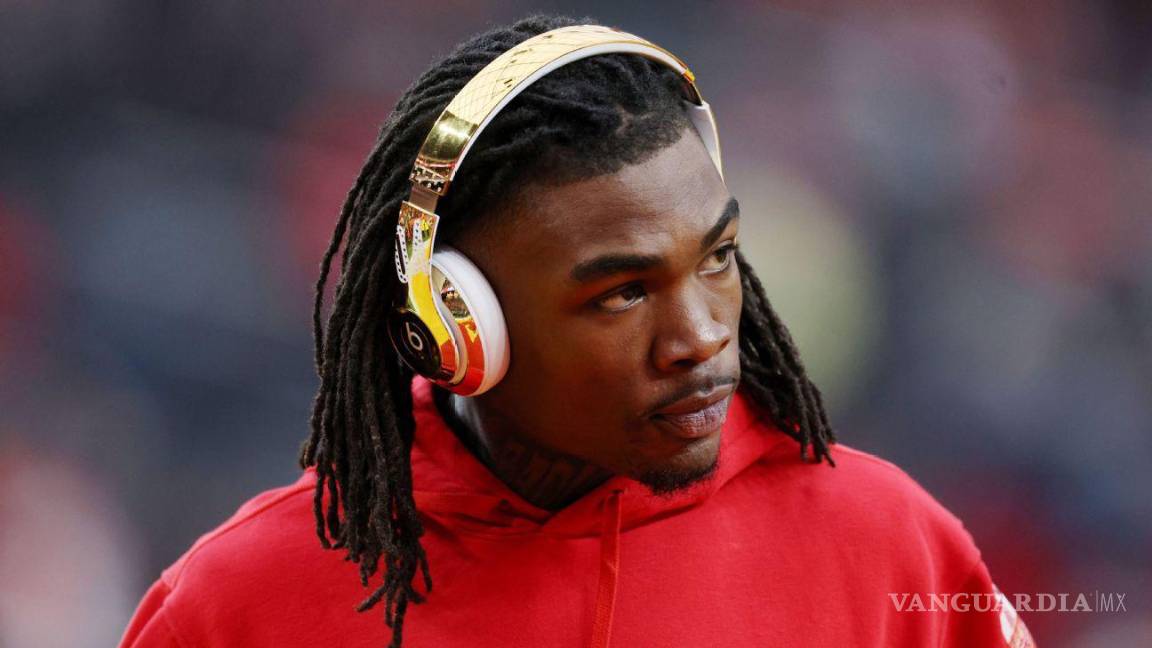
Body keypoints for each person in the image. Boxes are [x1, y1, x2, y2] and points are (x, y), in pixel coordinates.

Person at [120, 14, 1034, 648]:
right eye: (623, 294)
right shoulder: (237, 608)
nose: (700, 337)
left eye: (717, 259)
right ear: (458, 324)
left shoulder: (890, 545)